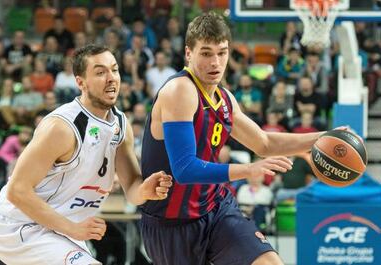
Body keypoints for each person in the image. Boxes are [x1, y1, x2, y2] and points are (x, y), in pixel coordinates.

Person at [140, 12, 330, 265]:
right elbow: (184, 169)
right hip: (172, 223)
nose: (215, 62)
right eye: (206, 53)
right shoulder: (180, 90)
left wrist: (324, 137)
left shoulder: (225, 99)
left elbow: (264, 143)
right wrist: (249, 169)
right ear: (188, 53)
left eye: (222, 52)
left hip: (215, 209)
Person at [0, 44, 172, 265]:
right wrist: (73, 228)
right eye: (101, 72)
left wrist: (145, 190)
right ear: (80, 82)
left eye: (114, 69)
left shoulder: (121, 125)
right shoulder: (61, 128)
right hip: (19, 224)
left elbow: (132, 189)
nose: (111, 78)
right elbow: (17, 191)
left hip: (60, 228)